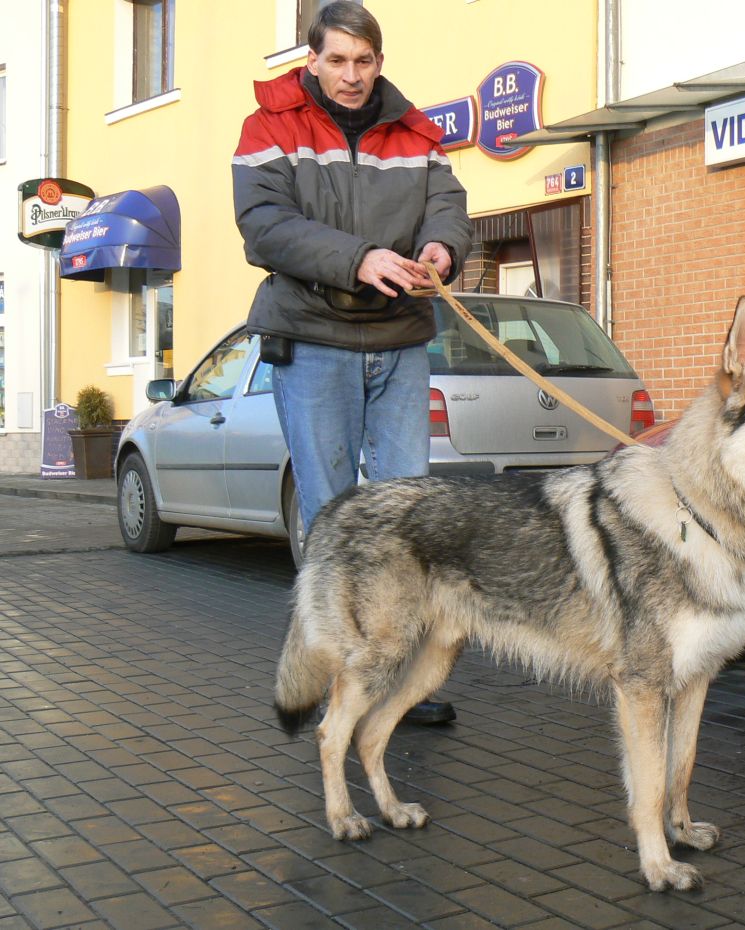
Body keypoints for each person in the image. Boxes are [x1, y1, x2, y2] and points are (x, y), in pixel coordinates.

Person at [232, 1, 472, 725]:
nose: (351, 75)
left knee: (408, 516)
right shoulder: (268, 127)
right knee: (333, 514)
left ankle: (399, 683)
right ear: (312, 60)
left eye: (364, 61)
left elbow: (450, 207)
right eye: (336, 60)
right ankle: (339, 678)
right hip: (312, 340)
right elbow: (263, 226)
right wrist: (358, 258)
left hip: (399, 340)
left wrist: (442, 249)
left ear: (379, 61)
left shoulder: (419, 133)